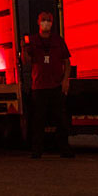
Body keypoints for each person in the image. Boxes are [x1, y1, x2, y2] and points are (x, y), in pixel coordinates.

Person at [22, 11, 74, 159]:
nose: (46, 23)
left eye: (49, 20)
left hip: (55, 85)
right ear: (38, 22)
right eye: (43, 20)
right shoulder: (32, 41)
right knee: (38, 120)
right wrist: (24, 48)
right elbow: (26, 61)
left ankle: (64, 149)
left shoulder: (58, 41)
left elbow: (67, 62)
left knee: (61, 120)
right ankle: (37, 150)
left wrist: (65, 80)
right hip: (39, 87)